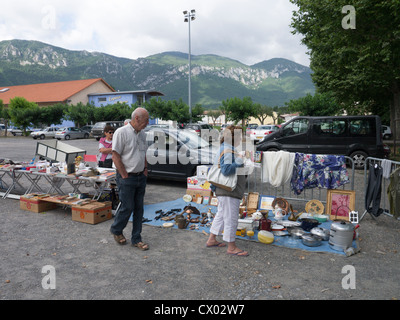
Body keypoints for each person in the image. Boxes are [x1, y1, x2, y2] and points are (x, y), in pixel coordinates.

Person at [110, 108, 150, 250]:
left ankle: (136, 239)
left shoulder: (143, 134)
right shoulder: (121, 133)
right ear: (137, 118)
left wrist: (145, 169)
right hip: (127, 177)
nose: (147, 123)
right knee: (127, 207)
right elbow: (115, 156)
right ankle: (116, 230)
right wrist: (124, 175)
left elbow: (143, 153)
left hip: (140, 176)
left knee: (139, 208)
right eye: (146, 120)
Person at [206, 125, 248, 256]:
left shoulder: (225, 148)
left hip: (223, 190)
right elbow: (226, 170)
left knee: (222, 215)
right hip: (229, 191)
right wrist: (240, 160)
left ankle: (212, 239)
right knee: (231, 218)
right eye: (240, 136)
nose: (242, 138)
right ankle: (231, 247)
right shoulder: (228, 150)